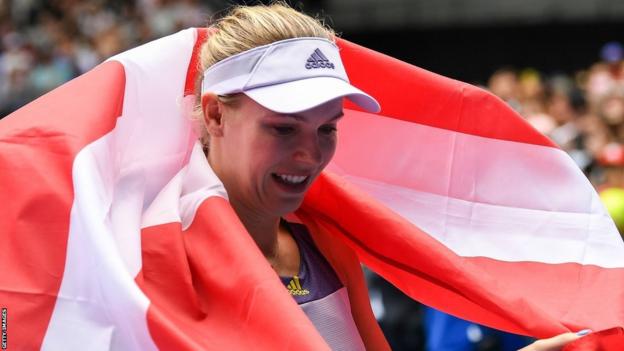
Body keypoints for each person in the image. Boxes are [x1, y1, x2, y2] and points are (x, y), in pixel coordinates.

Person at [195, 3, 589, 350]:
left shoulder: (324, 239)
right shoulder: (158, 265)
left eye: (328, 129)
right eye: (284, 129)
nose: (311, 154)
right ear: (215, 116)